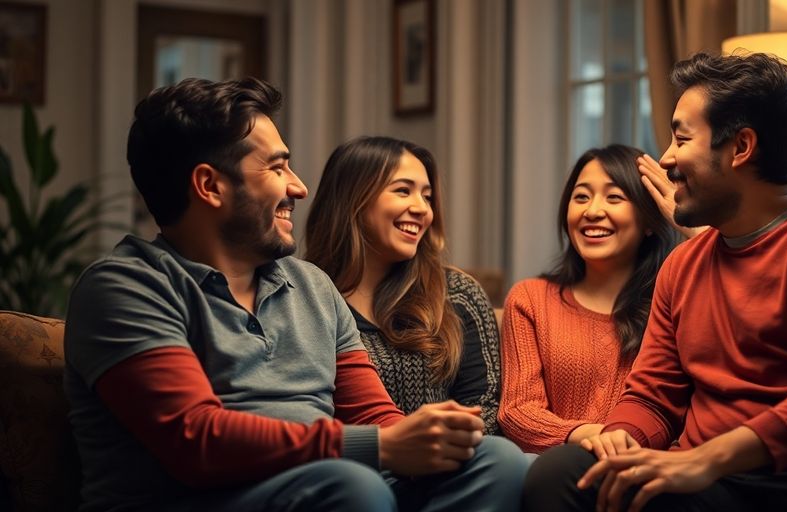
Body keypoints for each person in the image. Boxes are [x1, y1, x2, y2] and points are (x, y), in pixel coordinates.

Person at [63, 77, 527, 512]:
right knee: (353, 487)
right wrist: (377, 448)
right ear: (210, 186)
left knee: (496, 459)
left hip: (337, 483)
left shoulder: (310, 285)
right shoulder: (125, 287)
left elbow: (372, 414)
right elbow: (195, 441)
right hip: (204, 495)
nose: (299, 187)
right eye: (277, 167)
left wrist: (427, 435)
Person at [522, 52, 787, 512]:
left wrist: (711, 458)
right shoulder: (685, 264)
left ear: (740, 148)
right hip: (698, 476)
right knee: (561, 473)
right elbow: (653, 396)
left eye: (681, 138)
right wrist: (621, 439)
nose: (665, 158)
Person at [305, 136, 502, 434]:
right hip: (355, 470)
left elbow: (486, 406)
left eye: (427, 196)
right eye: (403, 191)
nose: (422, 208)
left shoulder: (458, 293)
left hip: (453, 466)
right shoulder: (303, 299)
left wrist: (444, 451)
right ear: (352, 199)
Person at [498, 144, 680, 453]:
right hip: (554, 472)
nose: (592, 211)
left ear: (649, 220)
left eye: (614, 197)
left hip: (647, 470)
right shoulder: (530, 299)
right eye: (581, 196)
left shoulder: (672, 304)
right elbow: (517, 412)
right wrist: (593, 435)